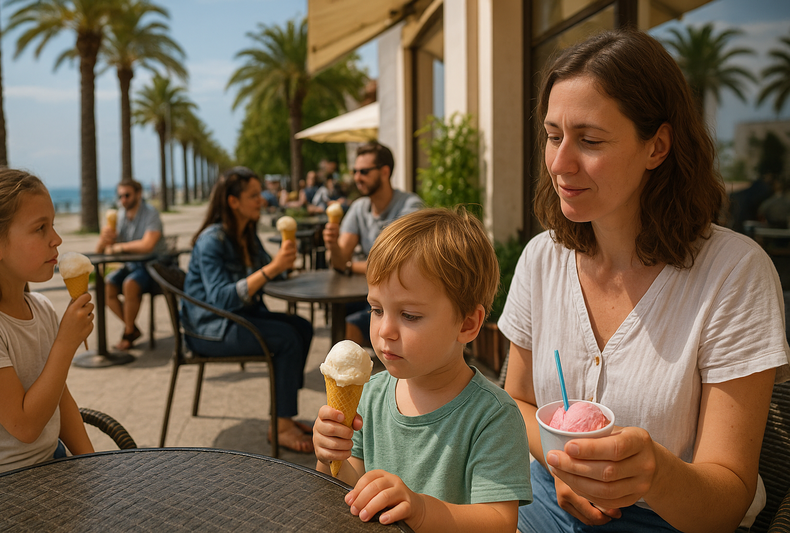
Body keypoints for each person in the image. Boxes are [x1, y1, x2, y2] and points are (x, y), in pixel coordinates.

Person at [499, 29, 790, 533]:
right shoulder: (541, 258)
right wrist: (557, 464)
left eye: (589, 141)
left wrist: (654, 474)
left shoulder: (734, 274)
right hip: (544, 502)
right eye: (552, 136)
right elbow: (517, 400)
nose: (559, 164)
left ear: (657, 146)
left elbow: (724, 503)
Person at [313, 208, 532, 532]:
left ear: (468, 324)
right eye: (376, 309)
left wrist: (420, 510)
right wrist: (330, 457)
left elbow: (499, 522)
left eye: (410, 315)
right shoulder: (370, 396)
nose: (385, 330)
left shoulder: (492, 417)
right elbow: (353, 490)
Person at [181, 166, 315, 453]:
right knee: (286, 338)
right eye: (254, 195)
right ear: (233, 201)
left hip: (239, 318)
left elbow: (272, 271)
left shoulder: (247, 235)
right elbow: (220, 298)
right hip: (209, 329)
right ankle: (280, 425)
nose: (261, 200)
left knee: (302, 327)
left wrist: (284, 260)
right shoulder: (211, 241)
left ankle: (283, 414)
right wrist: (272, 269)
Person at [0, 166, 95, 476]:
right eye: (40, 228)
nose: (57, 239)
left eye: (53, 225)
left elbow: (59, 400)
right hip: (7, 485)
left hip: (53, 463)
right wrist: (65, 343)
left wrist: (95, 465)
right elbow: (25, 426)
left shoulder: (42, 308)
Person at [322, 142, 425, 346]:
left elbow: (394, 264)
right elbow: (340, 260)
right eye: (355, 171)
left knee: (349, 325)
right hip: (371, 293)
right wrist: (332, 244)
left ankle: (366, 375)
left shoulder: (409, 206)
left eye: (364, 171)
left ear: (385, 172)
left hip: (403, 299)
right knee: (336, 315)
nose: (357, 177)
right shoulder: (359, 207)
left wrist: (352, 266)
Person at [95, 178, 167, 350]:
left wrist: (119, 248)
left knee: (130, 284)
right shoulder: (119, 216)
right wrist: (103, 239)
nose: (123, 200)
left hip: (154, 266)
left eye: (127, 195)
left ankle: (128, 334)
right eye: (120, 196)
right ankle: (132, 328)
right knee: (108, 287)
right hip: (132, 265)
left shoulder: (151, 213)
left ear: (139, 194)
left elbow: (147, 245)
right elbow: (101, 251)